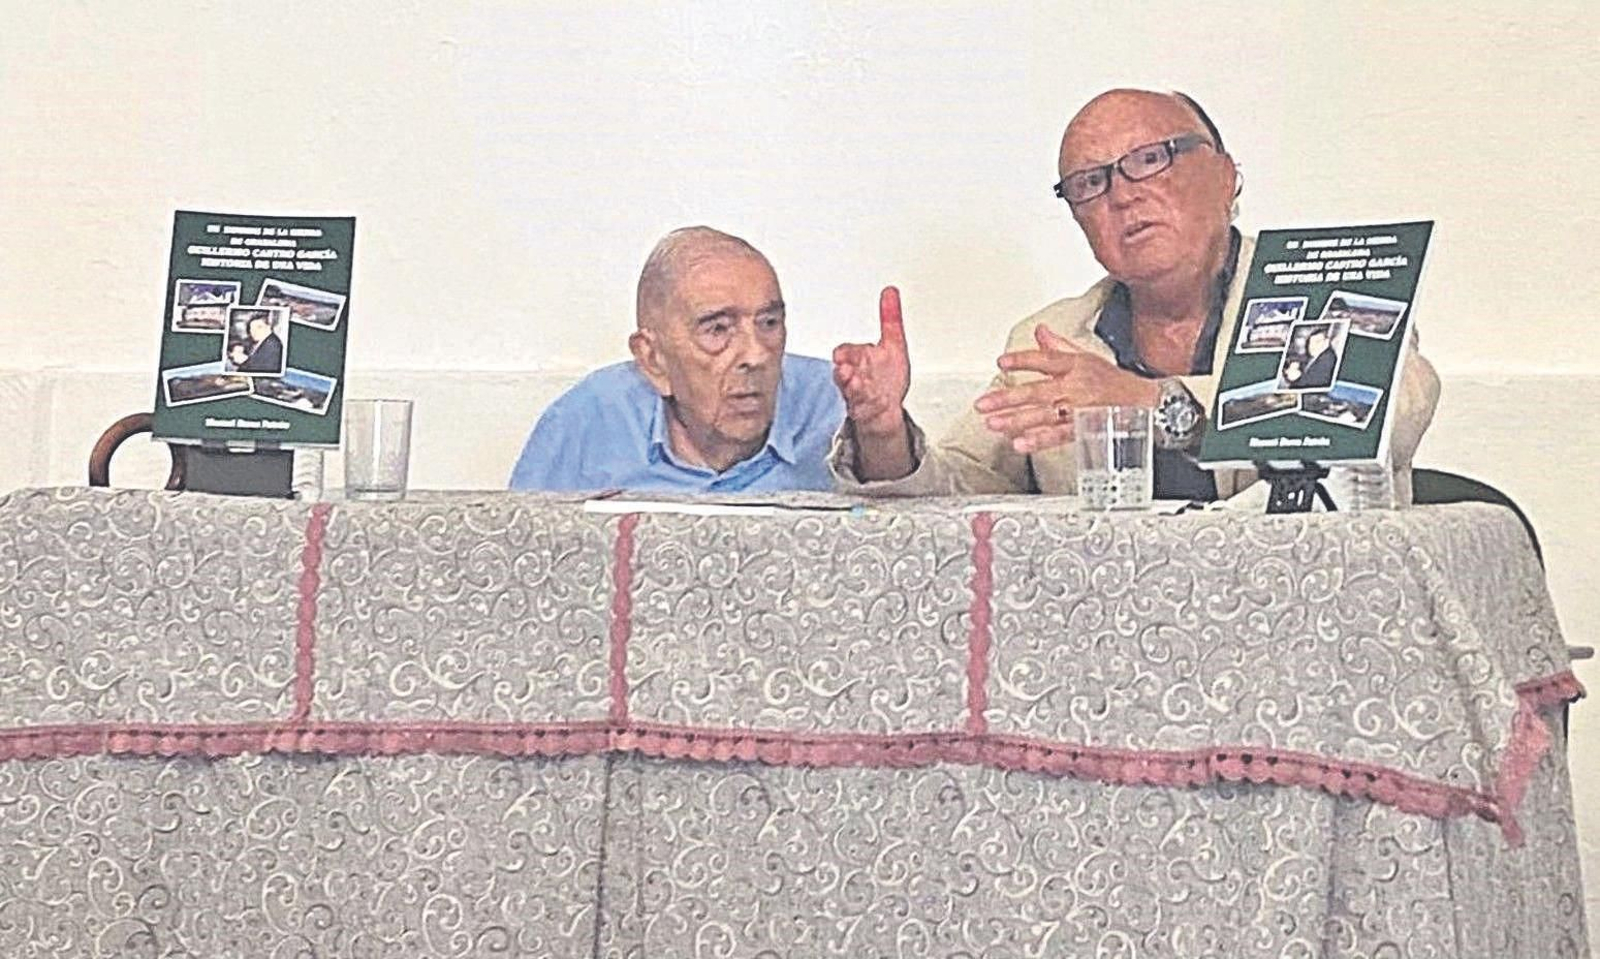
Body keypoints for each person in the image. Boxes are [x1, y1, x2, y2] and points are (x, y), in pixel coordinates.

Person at [830, 88, 1439, 501]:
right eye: (1090, 182)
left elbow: (1389, 409)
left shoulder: (1323, 284)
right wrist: (884, 437)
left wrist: (1154, 404)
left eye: (1150, 159)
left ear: (1226, 174)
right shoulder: (1053, 341)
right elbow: (968, 489)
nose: (1122, 195)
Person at [508, 226, 845, 493]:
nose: (756, 355)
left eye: (768, 323)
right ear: (653, 359)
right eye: (718, 330)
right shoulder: (585, 423)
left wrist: (884, 431)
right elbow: (518, 556)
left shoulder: (834, 404)